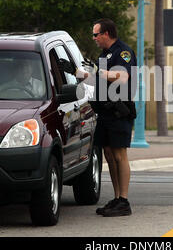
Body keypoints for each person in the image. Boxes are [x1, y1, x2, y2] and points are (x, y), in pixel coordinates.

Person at [58, 19, 136, 217]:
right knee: (109, 155)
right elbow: (96, 78)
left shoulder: (122, 52)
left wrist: (97, 71)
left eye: (96, 34)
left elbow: (122, 76)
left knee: (120, 155)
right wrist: (75, 72)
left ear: (106, 34)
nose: (94, 38)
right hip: (105, 112)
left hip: (119, 112)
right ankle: (117, 198)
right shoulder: (105, 55)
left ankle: (124, 201)